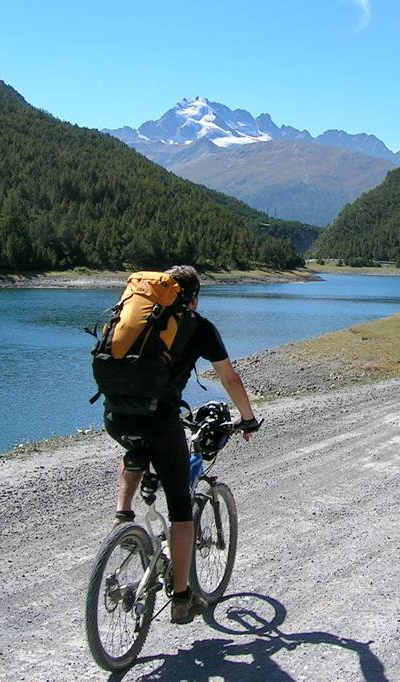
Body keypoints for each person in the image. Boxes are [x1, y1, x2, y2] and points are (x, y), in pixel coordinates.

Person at [103, 265, 261, 624]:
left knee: (134, 450)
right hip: (161, 421)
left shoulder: (136, 319)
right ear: (192, 297)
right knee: (180, 510)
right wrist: (247, 418)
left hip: (115, 414)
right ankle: (181, 597)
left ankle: (122, 516)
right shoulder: (198, 326)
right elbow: (230, 379)